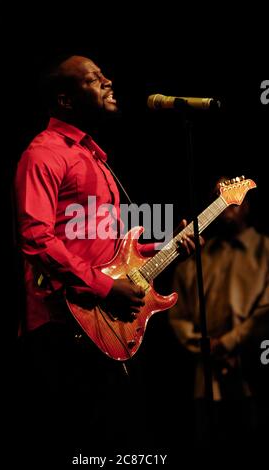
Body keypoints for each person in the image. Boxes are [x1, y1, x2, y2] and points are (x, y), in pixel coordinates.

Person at [14, 54, 197, 463]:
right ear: (65, 100)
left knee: (128, 441)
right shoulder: (43, 154)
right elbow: (35, 237)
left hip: (106, 326)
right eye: (96, 79)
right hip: (63, 327)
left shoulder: (94, 158)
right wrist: (104, 287)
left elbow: (106, 248)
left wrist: (168, 247)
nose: (109, 80)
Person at [168, 179, 269, 453]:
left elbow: (265, 311)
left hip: (253, 377)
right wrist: (204, 345)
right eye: (217, 198)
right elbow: (176, 313)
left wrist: (229, 343)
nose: (223, 205)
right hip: (206, 385)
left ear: (245, 204)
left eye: (229, 198)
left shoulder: (265, 250)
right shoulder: (196, 258)